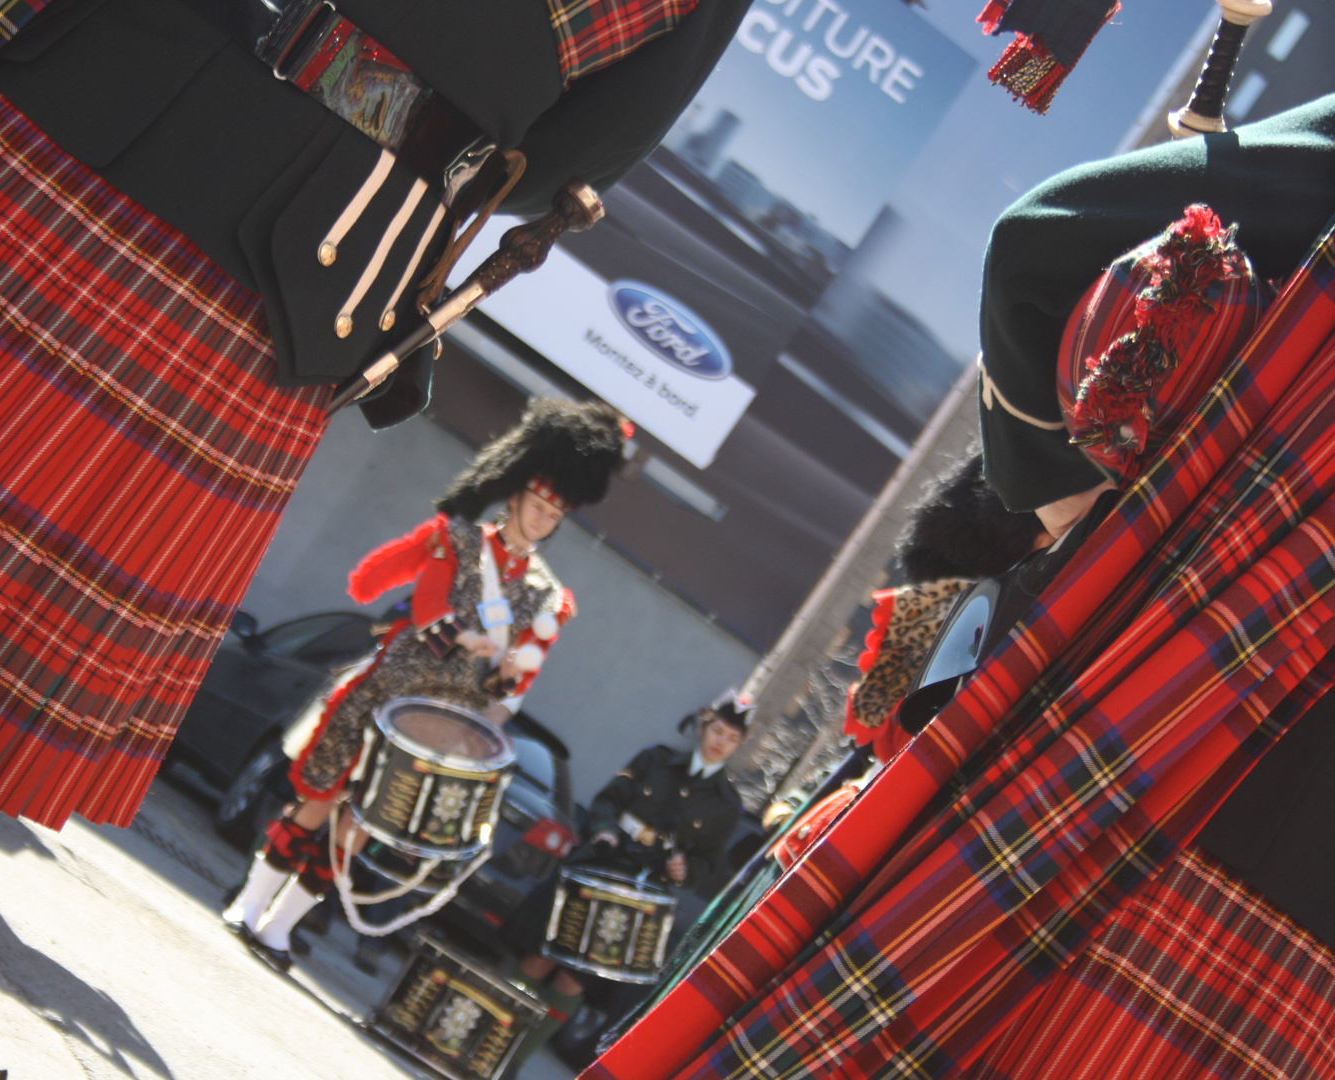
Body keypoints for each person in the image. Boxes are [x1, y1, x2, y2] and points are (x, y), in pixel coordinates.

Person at [0, 0, 752, 1054]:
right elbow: (561, 159)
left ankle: (272, 911)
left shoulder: (538, 594)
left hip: (71, 92)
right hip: (298, 252)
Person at [588, 95, 1335, 1080]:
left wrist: (1083, 517)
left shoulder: (946, 610)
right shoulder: (919, 617)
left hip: (1125, 736)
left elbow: (1041, 240)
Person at [222, 398, 628, 968]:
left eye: (551, 515)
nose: (540, 519)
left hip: (440, 726)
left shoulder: (547, 596)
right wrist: (462, 638)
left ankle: (281, 928)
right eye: (535, 506)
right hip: (388, 690)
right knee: (321, 797)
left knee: (362, 826)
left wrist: (507, 683)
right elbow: (429, 605)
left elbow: (515, 683)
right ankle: (249, 903)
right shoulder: (460, 541)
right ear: (515, 497)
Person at [504, 699, 746, 1068]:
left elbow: (709, 861)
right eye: (717, 731)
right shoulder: (655, 760)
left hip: (642, 893)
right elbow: (607, 800)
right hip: (600, 865)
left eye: (731, 738)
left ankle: (511, 1062)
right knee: (540, 953)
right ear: (703, 727)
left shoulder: (727, 804)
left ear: (737, 745)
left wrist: (687, 870)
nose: (720, 742)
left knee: (575, 979)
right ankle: (491, 1035)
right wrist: (602, 831)